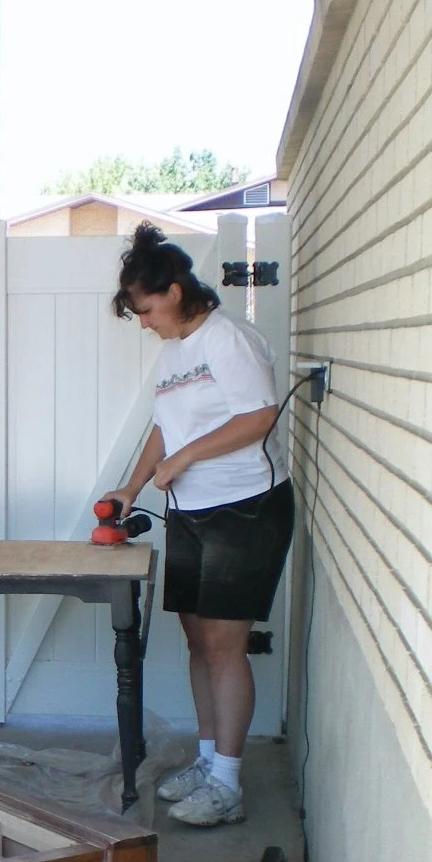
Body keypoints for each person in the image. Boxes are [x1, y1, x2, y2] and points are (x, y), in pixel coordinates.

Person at [102, 222, 294, 827]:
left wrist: (185, 460)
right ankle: (209, 761)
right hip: (189, 512)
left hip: (245, 509)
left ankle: (229, 784)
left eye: (147, 307)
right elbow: (165, 428)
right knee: (196, 641)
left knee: (222, 644)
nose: (144, 320)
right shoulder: (175, 353)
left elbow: (260, 417)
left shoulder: (228, 339)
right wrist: (131, 486)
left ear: (177, 291)